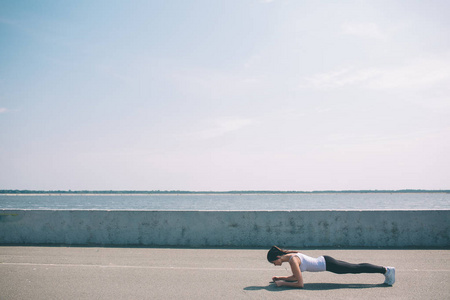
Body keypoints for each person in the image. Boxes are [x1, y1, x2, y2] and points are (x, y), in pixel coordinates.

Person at [267, 245, 395, 288]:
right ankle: (385, 270)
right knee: (356, 267)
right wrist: (280, 278)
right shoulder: (290, 256)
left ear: (277, 257)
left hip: (329, 264)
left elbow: (299, 284)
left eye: (274, 262)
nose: (275, 265)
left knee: (357, 268)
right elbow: (295, 276)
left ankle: (386, 270)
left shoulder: (293, 260)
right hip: (327, 261)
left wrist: (283, 283)